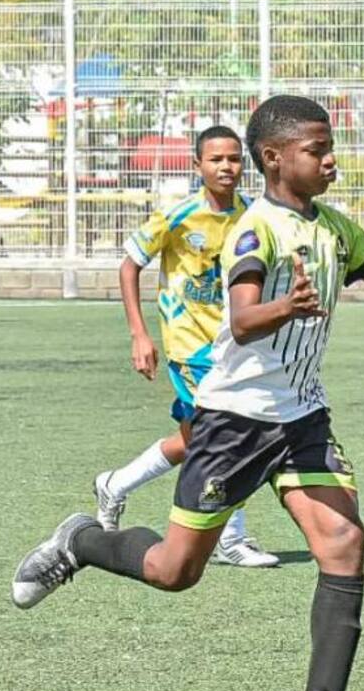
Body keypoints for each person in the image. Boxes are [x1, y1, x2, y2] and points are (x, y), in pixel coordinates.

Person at [12, 95, 364, 691]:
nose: (331, 160)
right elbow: (241, 318)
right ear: (276, 158)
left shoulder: (337, 228)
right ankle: (80, 541)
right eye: (317, 150)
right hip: (233, 422)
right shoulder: (253, 228)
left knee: (344, 543)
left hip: (302, 418)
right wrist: (285, 307)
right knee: (174, 572)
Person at [92, 125, 276, 567]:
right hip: (189, 346)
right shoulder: (179, 216)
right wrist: (140, 333)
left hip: (235, 344)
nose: (226, 167)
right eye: (216, 159)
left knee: (194, 440)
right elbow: (129, 266)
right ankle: (232, 539)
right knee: (228, 433)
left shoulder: (253, 216)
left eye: (233, 158)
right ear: (198, 166)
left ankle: (116, 484)